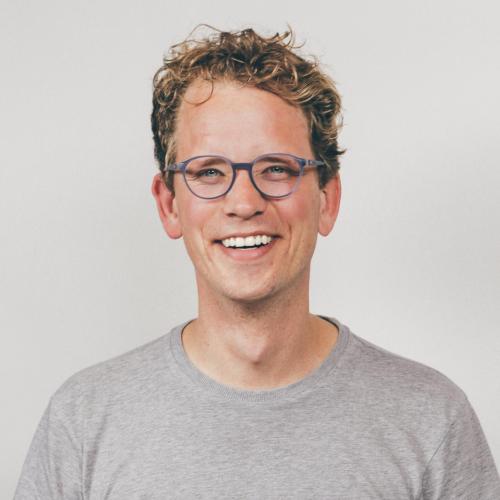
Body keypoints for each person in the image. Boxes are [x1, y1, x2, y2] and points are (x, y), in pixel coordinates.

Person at [14, 26, 500, 499]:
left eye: (277, 169)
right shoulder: (82, 422)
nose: (244, 202)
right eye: (209, 171)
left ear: (327, 200)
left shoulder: (431, 421)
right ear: (169, 205)